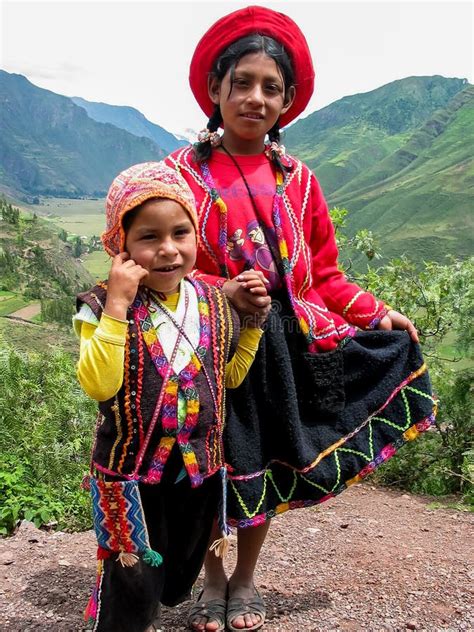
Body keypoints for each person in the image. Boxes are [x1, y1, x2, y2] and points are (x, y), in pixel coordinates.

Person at [165, 6, 437, 632]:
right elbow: (158, 261)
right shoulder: (179, 177)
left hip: (285, 346)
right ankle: (210, 580)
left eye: (271, 87)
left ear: (286, 101)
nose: (255, 98)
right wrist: (221, 289)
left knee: (265, 458)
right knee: (209, 465)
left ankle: (245, 579)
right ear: (215, 89)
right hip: (204, 347)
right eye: (242, 83)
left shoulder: (301, 183)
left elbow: (325, 276)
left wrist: (378, 313)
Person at [74, 161, 269, 632]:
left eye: (181, 233)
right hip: (131, 475)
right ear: (121, 244)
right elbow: (99, 385)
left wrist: (254, 326)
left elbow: (229, 379)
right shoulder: (99, 305)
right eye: (148, 237)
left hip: (196, 472)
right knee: (133, 579)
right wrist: (119, 305)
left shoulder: (212, 301)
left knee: (178, 569)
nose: (167, 250)